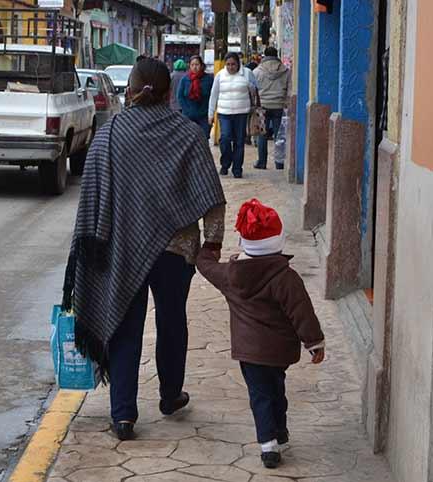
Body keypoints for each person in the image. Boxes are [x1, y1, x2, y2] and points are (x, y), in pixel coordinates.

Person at [63, 58, 226, 442]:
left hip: (122, 247)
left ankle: (123, 415)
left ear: (130, 90)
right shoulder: (188, 134)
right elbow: (212, 198)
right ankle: (170, 396)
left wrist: (91, 247)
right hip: (177, 249)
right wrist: (213, 243)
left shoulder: (111, 134)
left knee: (123, 324)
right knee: (172, 321)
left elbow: (92, 199)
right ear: (169, 93)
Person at [196, 198, 326, 470]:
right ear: (278, 241)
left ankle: (268, 444)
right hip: (278, 353)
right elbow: (302, 312)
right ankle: (279, 432)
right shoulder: (286, 277)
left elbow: (207, 267)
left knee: (260, 394)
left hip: (249, 353)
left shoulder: (231, 274)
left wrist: (208, 249)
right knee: (277, 388)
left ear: (244, 243)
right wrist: (314, 342)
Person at [209, 52, 255, 178]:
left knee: (239, 141)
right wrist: (211, 113)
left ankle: (237, 168)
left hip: (241, 113)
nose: (230, 67)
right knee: (225, 138)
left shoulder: (247, 73)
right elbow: (214, 94)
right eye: (228, 64)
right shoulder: (220, 75)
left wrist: (251, 87)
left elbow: (255, 91)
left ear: (238, 64)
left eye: (233, 64)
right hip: (224, 113)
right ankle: (225, 163)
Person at [253, 47, 291, 170]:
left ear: (264, 55)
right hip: (279, 106)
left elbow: (253, 90)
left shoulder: (257, 71)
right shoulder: (286, 71)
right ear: (277, 55)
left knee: (262, 134)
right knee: (279, 136)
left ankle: (262, 162)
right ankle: (279, 163)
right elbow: (289, 89)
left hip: (262, 107)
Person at [177, 55, 214, 138]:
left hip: (204, 115)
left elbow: (213, 96)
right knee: (188, 139)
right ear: (189, 66)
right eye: (192, 65)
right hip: (188, 115)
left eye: (197, 64)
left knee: (203, 138)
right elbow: (180, 96)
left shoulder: (209, 79)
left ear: (201, 65)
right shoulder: (185, 79)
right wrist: (186, 110)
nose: (195, 67)